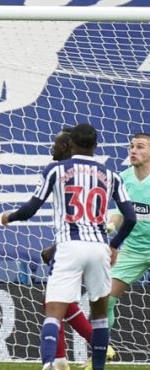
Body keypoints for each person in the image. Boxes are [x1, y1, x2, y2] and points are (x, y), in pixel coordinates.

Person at [0, 0, 150, 138]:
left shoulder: (63, 21)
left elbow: (112, 2)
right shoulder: (6, 17)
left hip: (32, 66)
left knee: (18, 100)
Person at [1, 123, 137, 370]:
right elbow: (130, 217)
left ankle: (50, 364)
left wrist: (9, 217)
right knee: (99, 316)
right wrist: (115, 246)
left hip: (69, 246)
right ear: (96, 146)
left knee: (53, 311)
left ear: (70, 143)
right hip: (99, 248)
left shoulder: (56, 170)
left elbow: (30, 210)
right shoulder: (112, 176)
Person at [37, 127, 114, 370]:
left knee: (55, 302)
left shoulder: (67, 173)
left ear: (67, 146)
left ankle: (61, 359)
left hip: (85, 248)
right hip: (82, 246)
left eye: (56, 143)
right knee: (55, 301)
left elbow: (89, 219)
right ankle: (61, 359)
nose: (52, 147)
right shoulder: (75, 173)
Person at [103, 133, 150, 358]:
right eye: (131, 147)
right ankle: (101, 353)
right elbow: (120, 213)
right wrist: (111, 225)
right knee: (105, 299)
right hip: (133, 249)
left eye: (140, 147)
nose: (133, 151)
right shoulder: (122, 178)